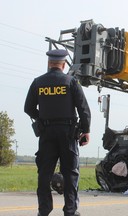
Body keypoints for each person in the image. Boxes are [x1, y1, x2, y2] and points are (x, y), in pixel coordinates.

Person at [24, 49, 91, 216]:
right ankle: (70, 211)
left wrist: (42, 119)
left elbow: (28, 108)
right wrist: (86, 130)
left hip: (46, 133)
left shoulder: (38, 82)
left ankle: (44, 210)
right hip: (67, 133)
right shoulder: (71, 81)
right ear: (63, 64)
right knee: (70, 174)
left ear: (49, 64)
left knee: (45, 174)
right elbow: (83, 109)